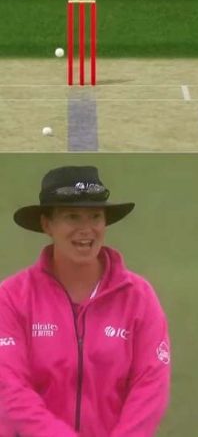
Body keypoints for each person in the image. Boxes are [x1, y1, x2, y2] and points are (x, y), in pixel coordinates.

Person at [0, 166, 171, 437]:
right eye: (72, 217)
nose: (86, 229)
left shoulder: (139, 297)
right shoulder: (11, 297)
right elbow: (9, 387)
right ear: (47, 225)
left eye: (95, 217)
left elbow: (150, 386)